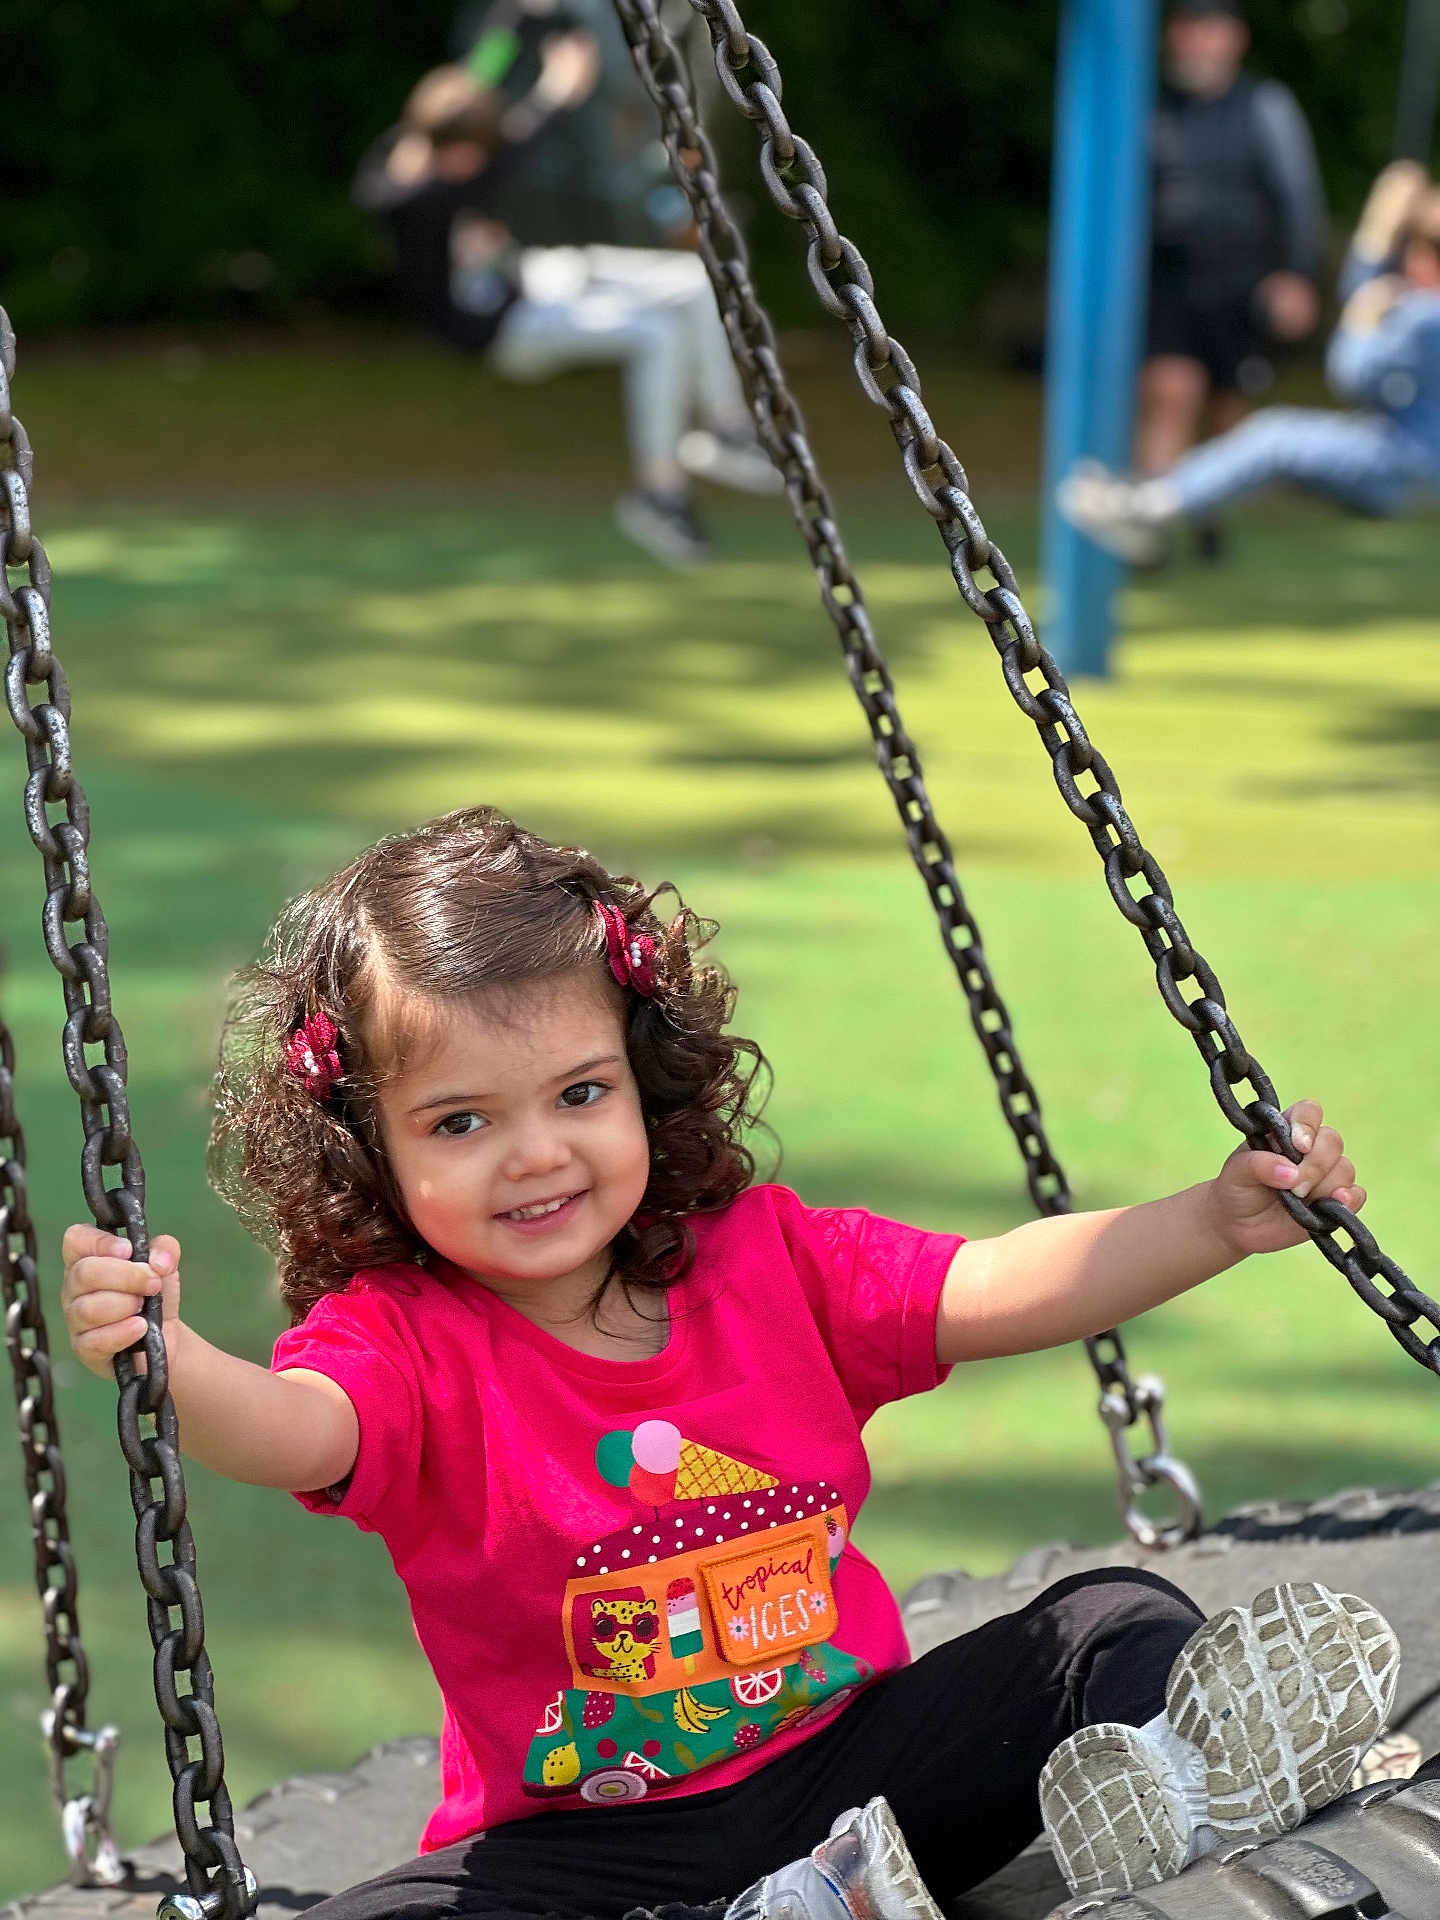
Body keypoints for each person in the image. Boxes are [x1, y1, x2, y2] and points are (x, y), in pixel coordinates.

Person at [59, 807, 1400, 1914]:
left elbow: (995, 1285)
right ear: (376, 1149)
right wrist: (172, 1361)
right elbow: (298, 1429)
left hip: (856, 1777)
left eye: (580, 1094)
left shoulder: (769, 1261)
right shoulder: (405, 1342)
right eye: (462, 1121)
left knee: (1108, 1624)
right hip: (590, 1842)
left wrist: (1212, 1223)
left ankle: (1169, 1794)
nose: (537, 1155)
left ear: (646, 1080)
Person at [354, 55, 780, 569]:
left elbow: (484, 115)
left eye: (473, 154)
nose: (468, 166)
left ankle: (725, 428)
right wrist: (554, 89)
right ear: (427, 145)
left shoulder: (461, 160)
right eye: (455, 155)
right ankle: (660, 496)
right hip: (503, 331)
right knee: (655, 335)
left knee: (691, 283)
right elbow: (395, 186)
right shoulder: (410, 197)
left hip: (534, 279)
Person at [1060, 161, 1440, 565]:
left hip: (1406, 463)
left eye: (1413, 248)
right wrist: (1374, 256)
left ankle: (1146, 508)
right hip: (1411, 458)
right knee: (1274, 444)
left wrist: (1364, 316)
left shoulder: (1424, 315)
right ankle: (1153, 504)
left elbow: (1350, 374)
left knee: (1274, 439)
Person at [1140, 0, 1326, 557]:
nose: (1195, 42)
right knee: (1170, 392)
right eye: (1186, 30)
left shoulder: (1263, 106)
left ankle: (1207, 515)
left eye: (1207, 30)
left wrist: (1296, 274)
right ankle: (1149, 527)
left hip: (1242, 285)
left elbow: (1297, 195)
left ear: (1233, 39)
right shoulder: (1152, 107)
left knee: (1227, 408)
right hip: (1170, 279)